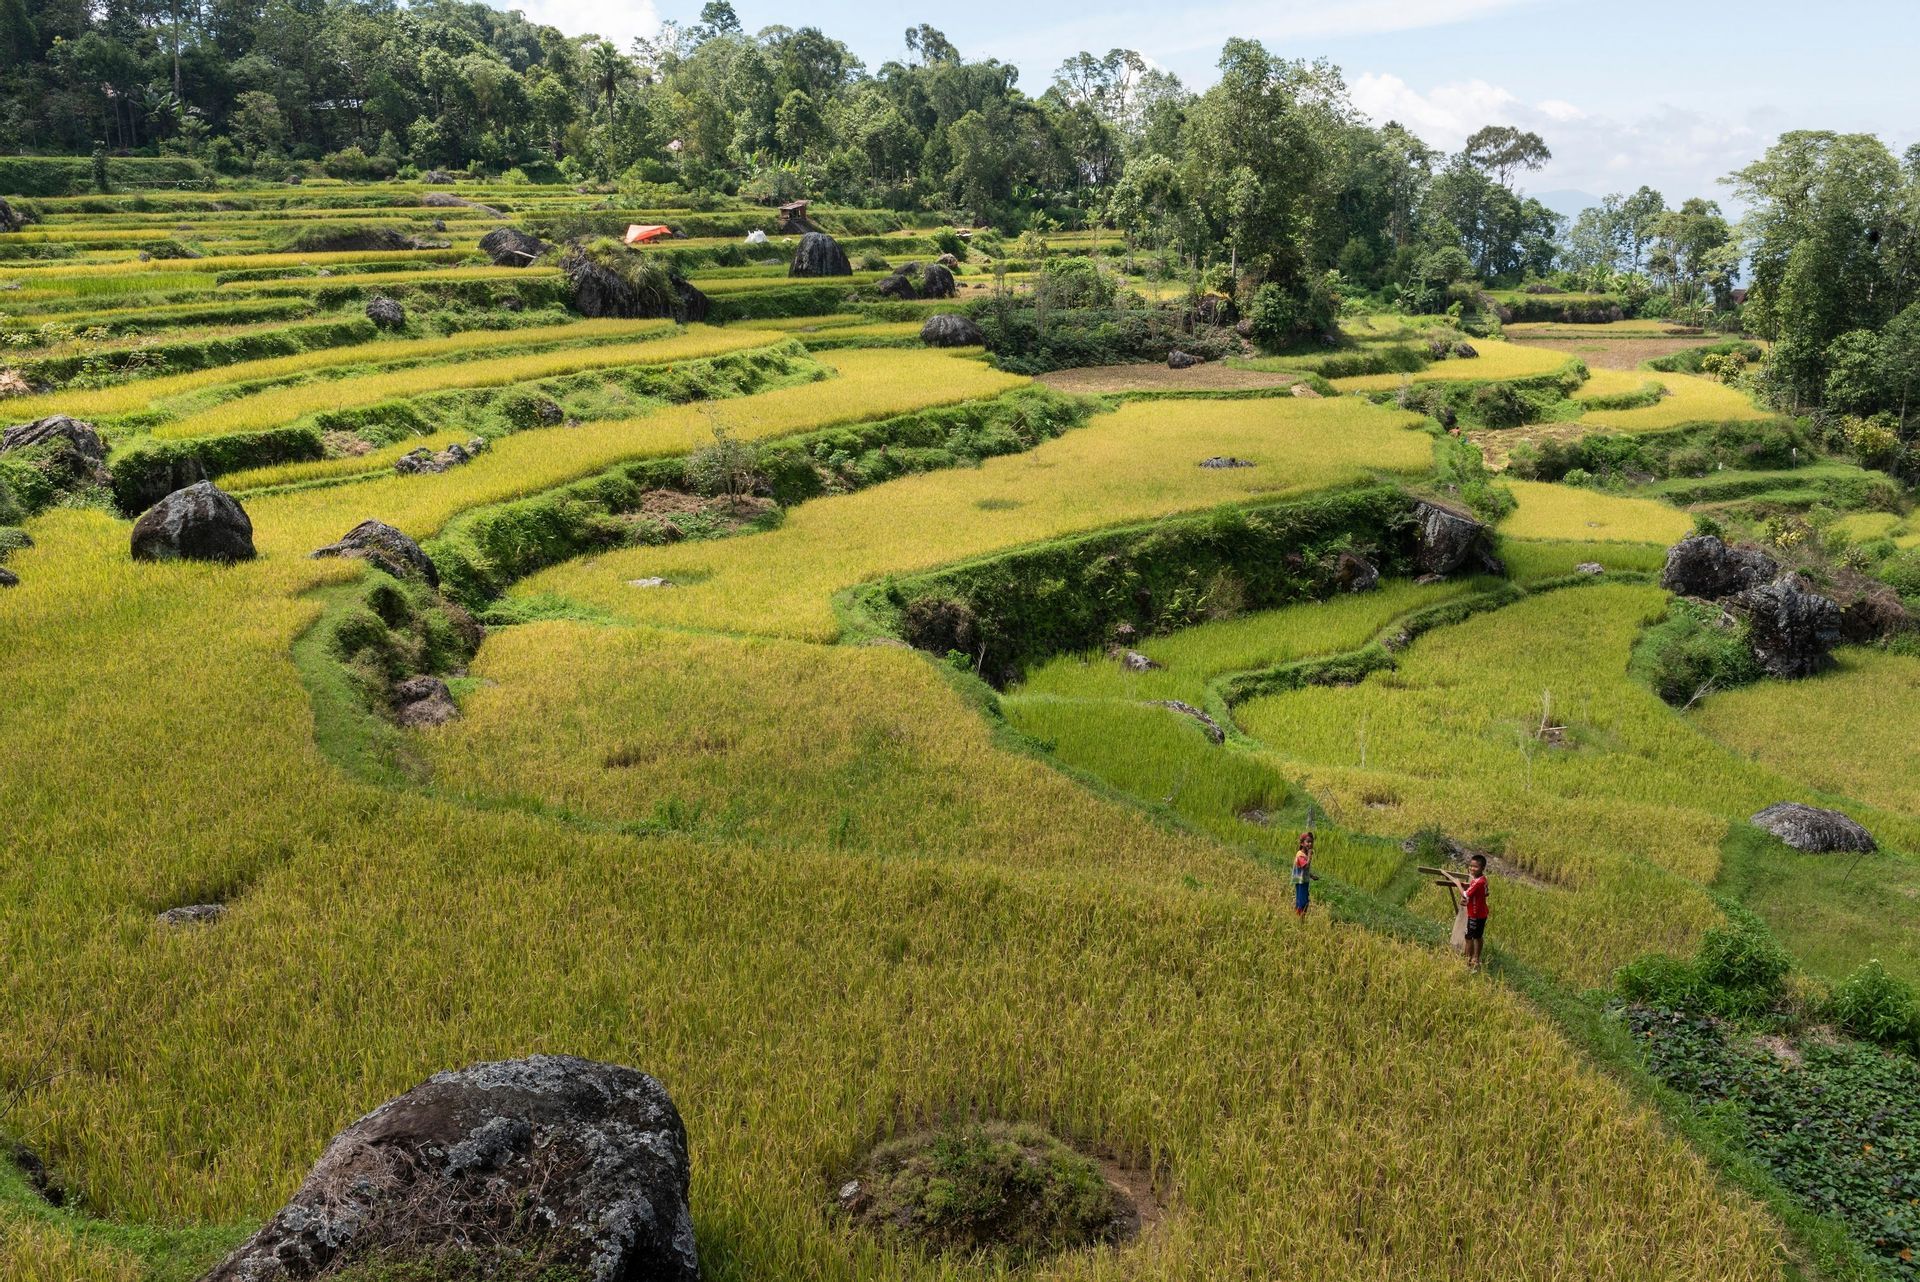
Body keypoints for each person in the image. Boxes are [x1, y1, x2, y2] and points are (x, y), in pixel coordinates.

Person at [1461, 854, 1489, 970]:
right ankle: (1476, 958)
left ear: (1482, 868)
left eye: (1475, 867)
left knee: (1469, 937)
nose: (1472, 868)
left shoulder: (1477, 882)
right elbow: (1486, 893)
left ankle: (1467, 961)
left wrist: (1458, 883)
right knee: (1478, 936)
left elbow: (1465, 894)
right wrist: (1468, 899)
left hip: (1475, 914)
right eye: (1471, 866)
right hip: (1482, 913)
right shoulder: (1483, 879)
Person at [1292, 832, 1318, 918]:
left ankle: (1300, 916)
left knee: (1304, 900)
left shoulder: (1304, 855)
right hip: (1300, 881)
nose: (1310, 844)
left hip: (1304, 880)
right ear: (1302, 843)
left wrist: (1311, 876)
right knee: (1302, 901)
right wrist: (1310, 856)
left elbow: (1304, 870)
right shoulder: (1300, 855)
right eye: (1308, 842)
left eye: (1311, 842)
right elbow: (1305, 866)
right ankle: (1299, 917)